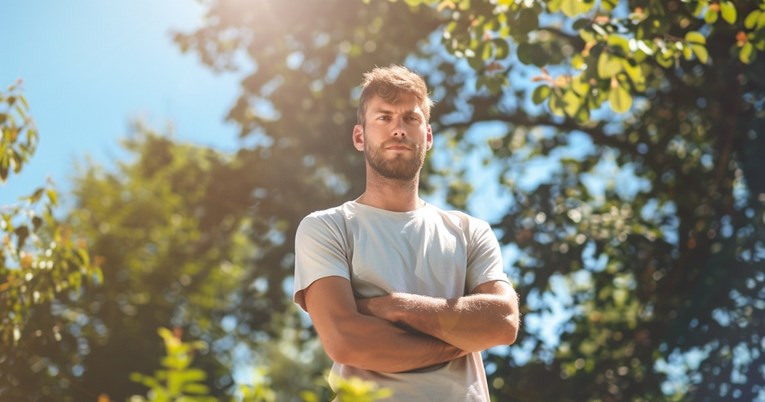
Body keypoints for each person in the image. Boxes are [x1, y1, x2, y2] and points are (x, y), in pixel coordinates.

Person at [293, 65, 520, 401]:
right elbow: (345, 341)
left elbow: (502, 322)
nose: (398, 129)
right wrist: (461, 338)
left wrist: (396, 306)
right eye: (384, 118)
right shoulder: (328, 227)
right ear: (360, 136)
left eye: (410, 119)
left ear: (427, 137)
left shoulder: (470, 232)